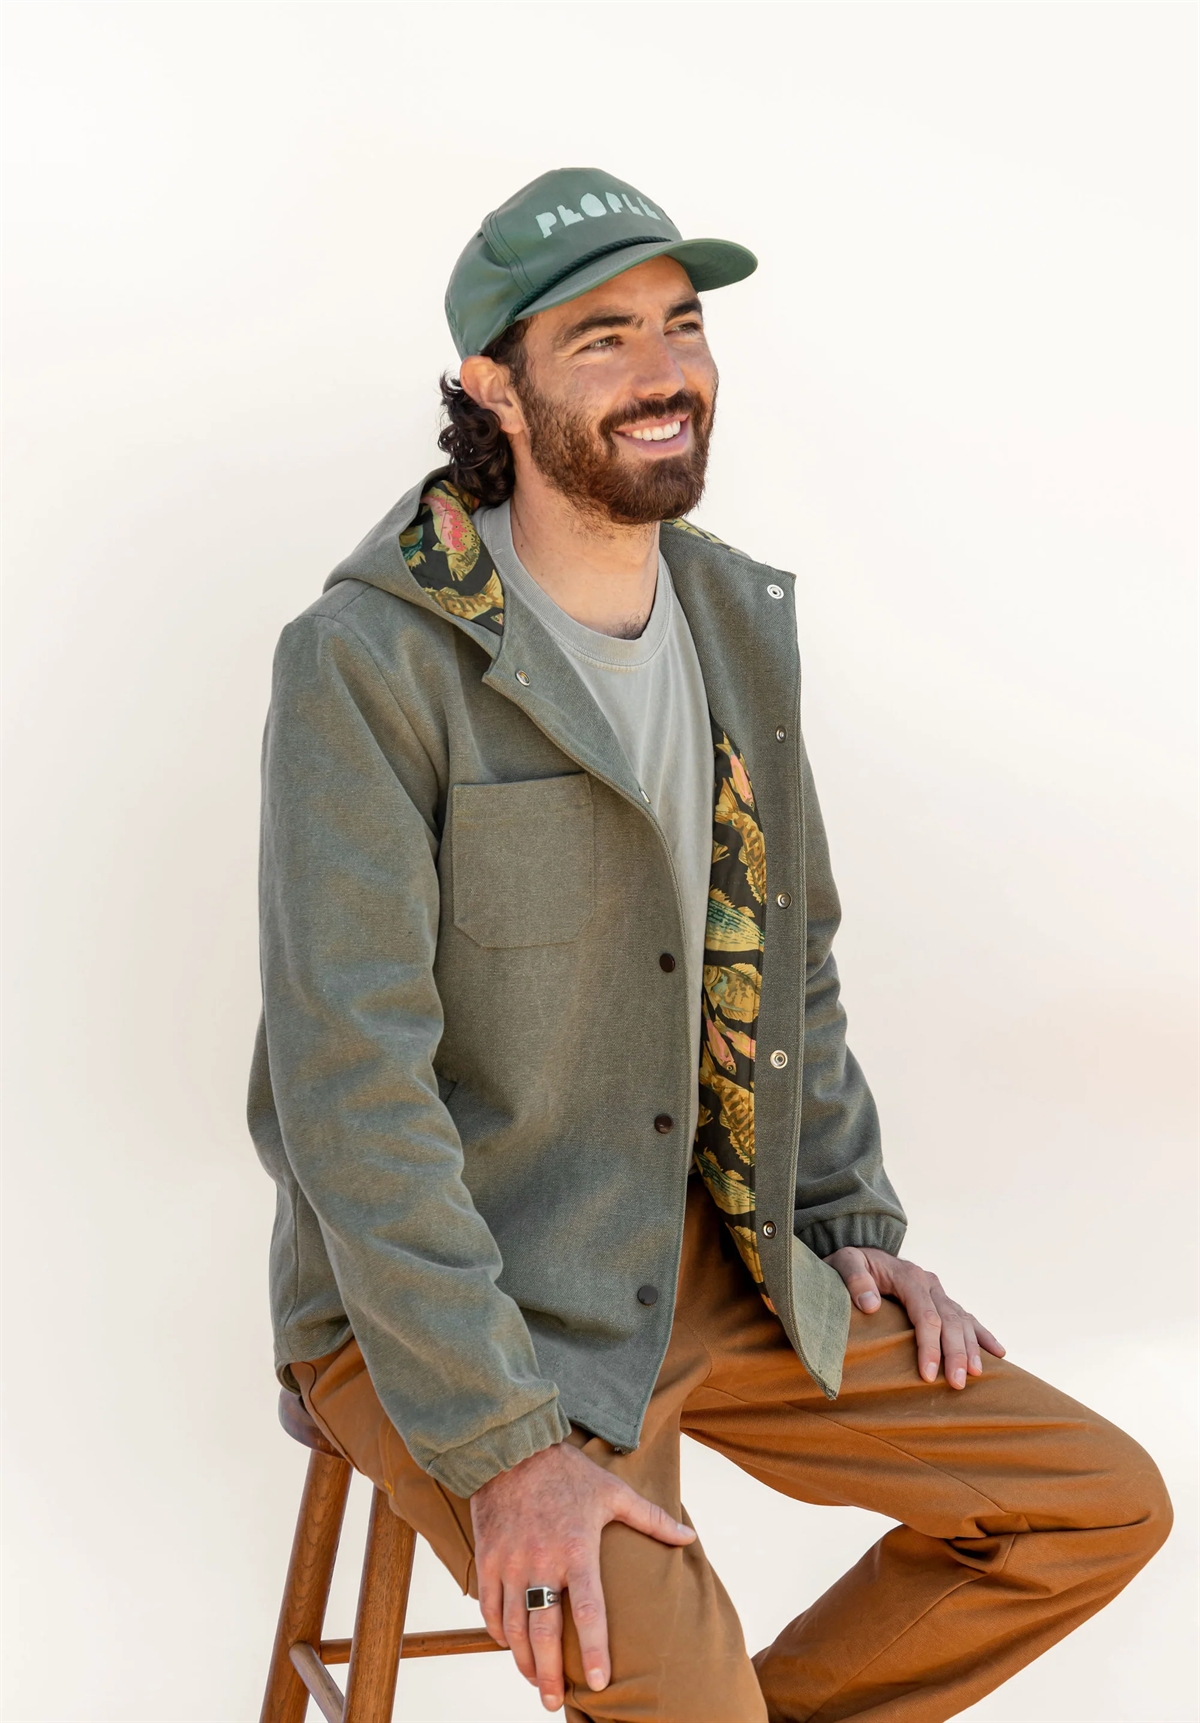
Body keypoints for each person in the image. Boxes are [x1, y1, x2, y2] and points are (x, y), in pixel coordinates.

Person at [249, 168, 1171, 1722]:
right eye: (602, 338)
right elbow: (351, 1091)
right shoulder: (370, 659)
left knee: (1096, 1505)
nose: (665, 370)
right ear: (493, 387)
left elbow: (789, 956)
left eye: (682, 325)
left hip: (706, 1248)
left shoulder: (734, 615)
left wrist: (843, 1217)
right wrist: (505, 1449)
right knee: (675, 1687)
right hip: (452, 1303)